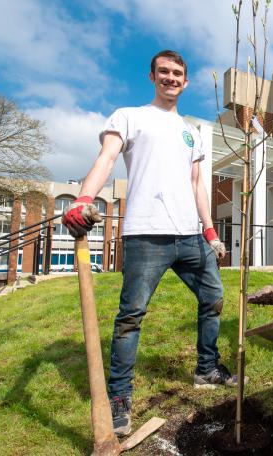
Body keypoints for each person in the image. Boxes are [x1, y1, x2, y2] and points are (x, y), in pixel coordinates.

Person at [61, 50, 233, 437]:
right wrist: (85, 198)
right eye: (164, 72)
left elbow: (196, 184)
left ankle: (207, 368)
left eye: (178, 73)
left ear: (186, 82)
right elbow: (106, 159)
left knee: (213, 298)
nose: (171, 78)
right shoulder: (129, 116)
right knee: (130, 318)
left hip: (190, 236)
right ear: (153, 76)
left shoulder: (190, 131)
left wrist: (210, 232)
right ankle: (119, 399)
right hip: (145, 234)